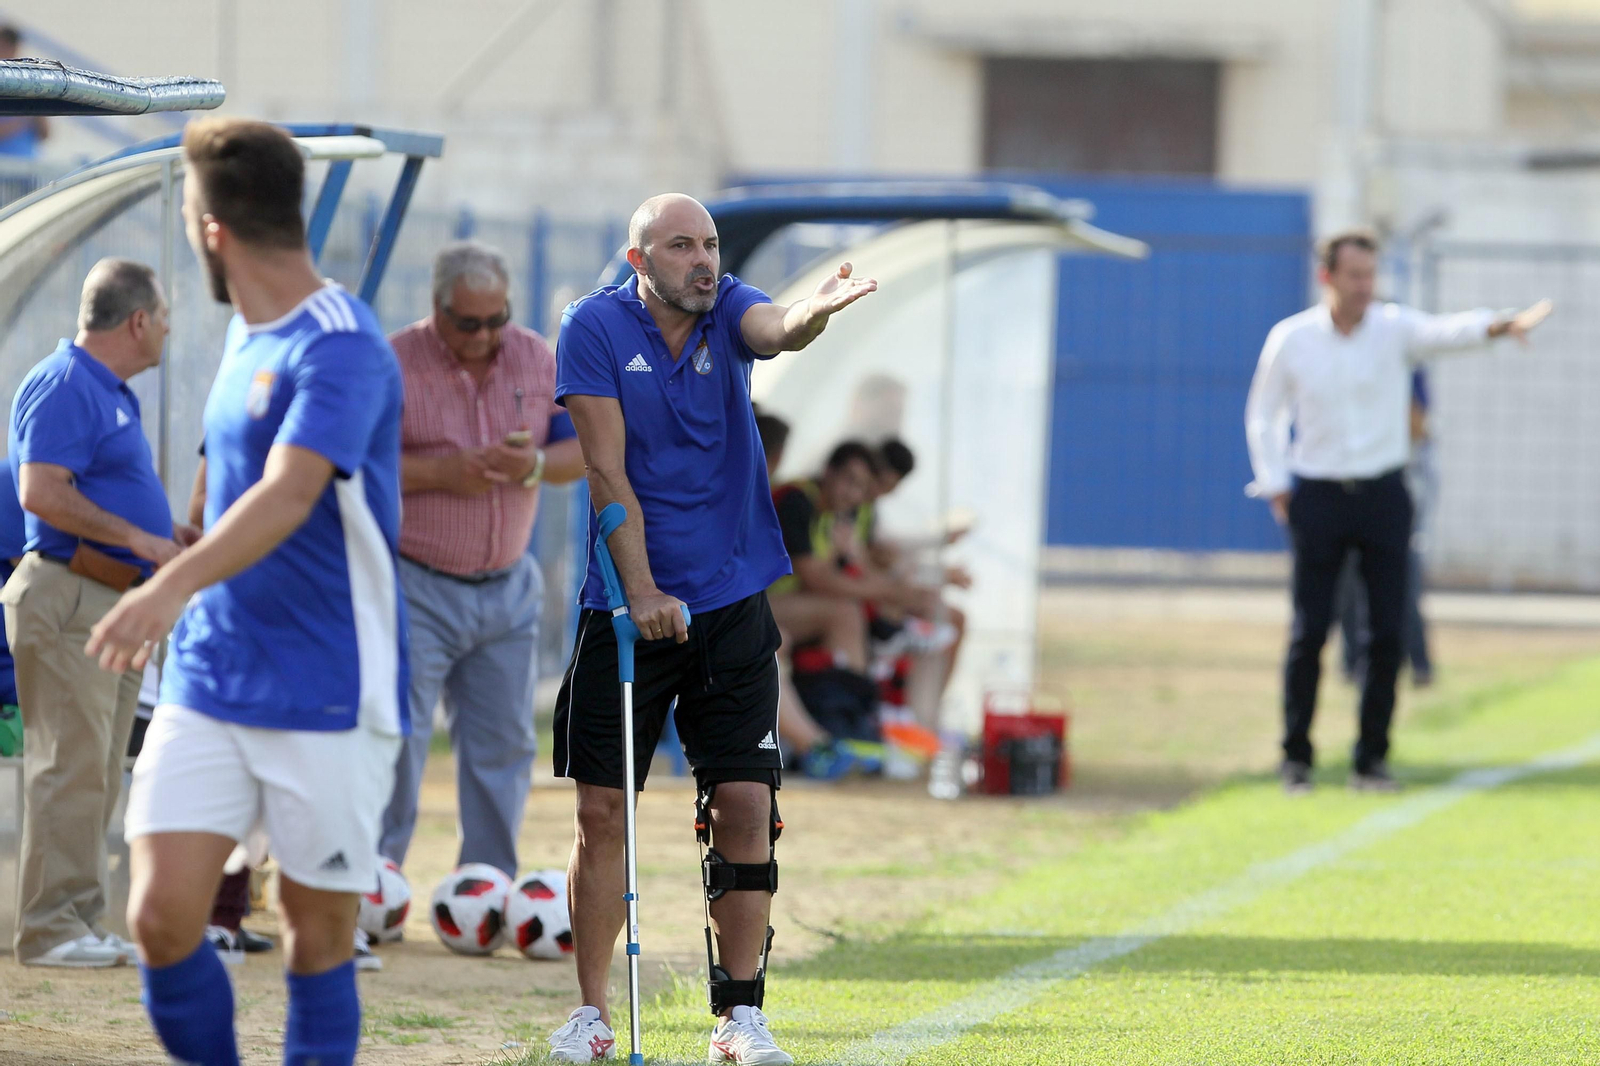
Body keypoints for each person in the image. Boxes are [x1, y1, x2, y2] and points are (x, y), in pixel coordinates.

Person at [86, 117, 407, 1066]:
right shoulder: (243, 334)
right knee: (158, 916)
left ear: (210, 226)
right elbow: (231, 475)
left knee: (315, 940)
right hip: (212, 676)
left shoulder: (343, 342)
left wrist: (166, 587)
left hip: (330, 687)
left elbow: (292, 490)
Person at [546, 192, 875, 1065]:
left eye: (713, 244)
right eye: (682, 245)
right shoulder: (594, 329)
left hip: (732, 605)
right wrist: (644, 589)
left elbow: (776, 328)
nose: (705, 259)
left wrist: (814, 311)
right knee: (602, 810)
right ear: (638, 257)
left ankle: (740, 1015)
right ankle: (588, 1015)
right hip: (622, 608)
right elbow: (606, 471)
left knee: (744, 802)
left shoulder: (727, 304)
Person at [1245, 229, 1551, 794]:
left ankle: (1371, 760)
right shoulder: (1292, 339)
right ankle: (1296, 758)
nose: (1366, 286)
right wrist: (1276, 482)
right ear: (1328, 277)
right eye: (1355, 275)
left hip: (1385, 493)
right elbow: (1262, 413)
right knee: (1310, 631)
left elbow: (1446, 331)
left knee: (1387, 631)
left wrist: (1500, 325)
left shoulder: (1392, 329)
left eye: (1371, 275)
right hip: (1318, 492)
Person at [2, 258, 191, 968]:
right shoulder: (64, 383)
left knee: (101, 769)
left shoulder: (106, 390)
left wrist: (167, 538)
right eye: (166, 318)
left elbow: (104, 493)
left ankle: (78, 918)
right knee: (68, 766)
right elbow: (41, 492)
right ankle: (50, 928)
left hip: (108, 600)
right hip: (69, 593)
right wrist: (140, 538)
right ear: (138, 320)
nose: (169, 331)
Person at [377, 241, 583, 890]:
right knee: (400, 742)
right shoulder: (392, 363)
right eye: (469, 323)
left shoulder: (533, 356)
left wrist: (539, 466)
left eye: (497, 319)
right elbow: (354, 465)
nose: (485, 336)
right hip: (416, 582)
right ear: (436, 310)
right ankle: (376, 884)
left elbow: (584, 450)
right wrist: (444, 472)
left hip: (508, 587)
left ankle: (486, 884)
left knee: (503, 745)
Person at [1336, 372, 1435, 688]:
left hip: (1398, 484)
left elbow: (1419, 426)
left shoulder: (1402, 359)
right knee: (1348, 575)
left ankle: (1416, 661)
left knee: (1399, 576)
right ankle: (1353, 663)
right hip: (1348, 485)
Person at [0, 27, 49, 159]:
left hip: (26, 166)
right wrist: (21, 120)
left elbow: (45, 134)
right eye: (3, 46)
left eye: (11, 46)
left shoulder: (29, 82)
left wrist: (37, 106)